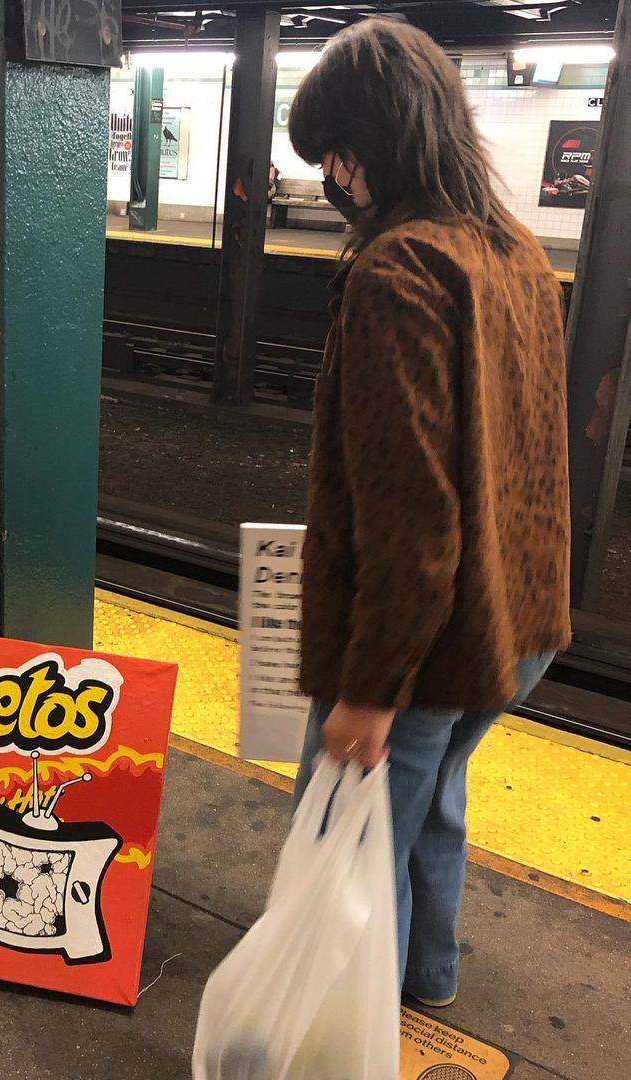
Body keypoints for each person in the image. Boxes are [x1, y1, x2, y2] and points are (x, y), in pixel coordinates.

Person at [287, 20, 571, 1009]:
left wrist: (371, 688)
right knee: (429, 806)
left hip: (422, 641)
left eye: (335, 155)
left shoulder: (397, 274)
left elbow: (413, 517)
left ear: (369, 150)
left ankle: (340, 1038)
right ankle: (427, 979)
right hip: (516, 622)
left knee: (349, 854)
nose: (333, 179)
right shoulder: (514, 250)